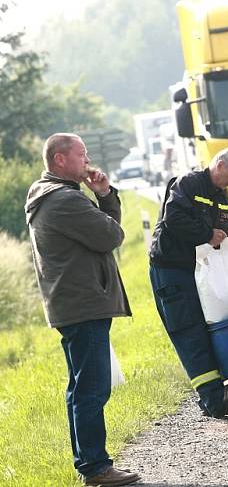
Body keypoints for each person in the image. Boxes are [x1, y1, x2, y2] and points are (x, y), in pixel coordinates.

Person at [25, 133, 140, 486]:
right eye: (81, 154)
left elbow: (108, 231)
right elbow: (112, 236)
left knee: (81, 388)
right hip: (83, 304)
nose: (87, 160)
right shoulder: (64, 201)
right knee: (92, 389)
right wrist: (103, 199)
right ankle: (95, 467)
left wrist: (104, 195)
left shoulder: (53, 195)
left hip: (74, 303)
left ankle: (89, 464)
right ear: (60, 160)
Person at [148, 148, 228, 418]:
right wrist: (206, 234)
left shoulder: (223, 198)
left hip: (198, 271)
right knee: (189, 332)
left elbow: (224, 231)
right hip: (171, 270)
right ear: (219, 164)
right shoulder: (188, 184)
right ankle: (213, 400)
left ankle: (218, 395)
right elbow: (174, 219)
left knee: (209, 329)